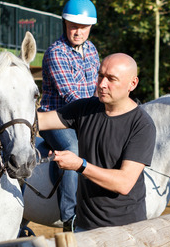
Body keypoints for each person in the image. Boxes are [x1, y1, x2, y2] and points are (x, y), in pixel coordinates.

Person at [38, 53, 156, 231]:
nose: (102, 84)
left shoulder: (142, 125)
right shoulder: (85, 108)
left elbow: (123, 183)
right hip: (83, 228)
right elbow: (40, 121)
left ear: (133, 83)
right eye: (100, 75)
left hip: (127, 231)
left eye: (111, 79)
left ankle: (67, 214)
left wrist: (79, 165)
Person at [38, 0, 100, 231]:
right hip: (56, 119)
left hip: (86, 115)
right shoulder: (56, 52)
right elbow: (71, 95)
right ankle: (70, 217)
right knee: (72, 150)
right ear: (65, 23)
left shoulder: (92, 50)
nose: (78, 31)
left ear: (90, 27)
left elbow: (96, 87)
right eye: (73, 25)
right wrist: (97, 116)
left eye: (83, 27)